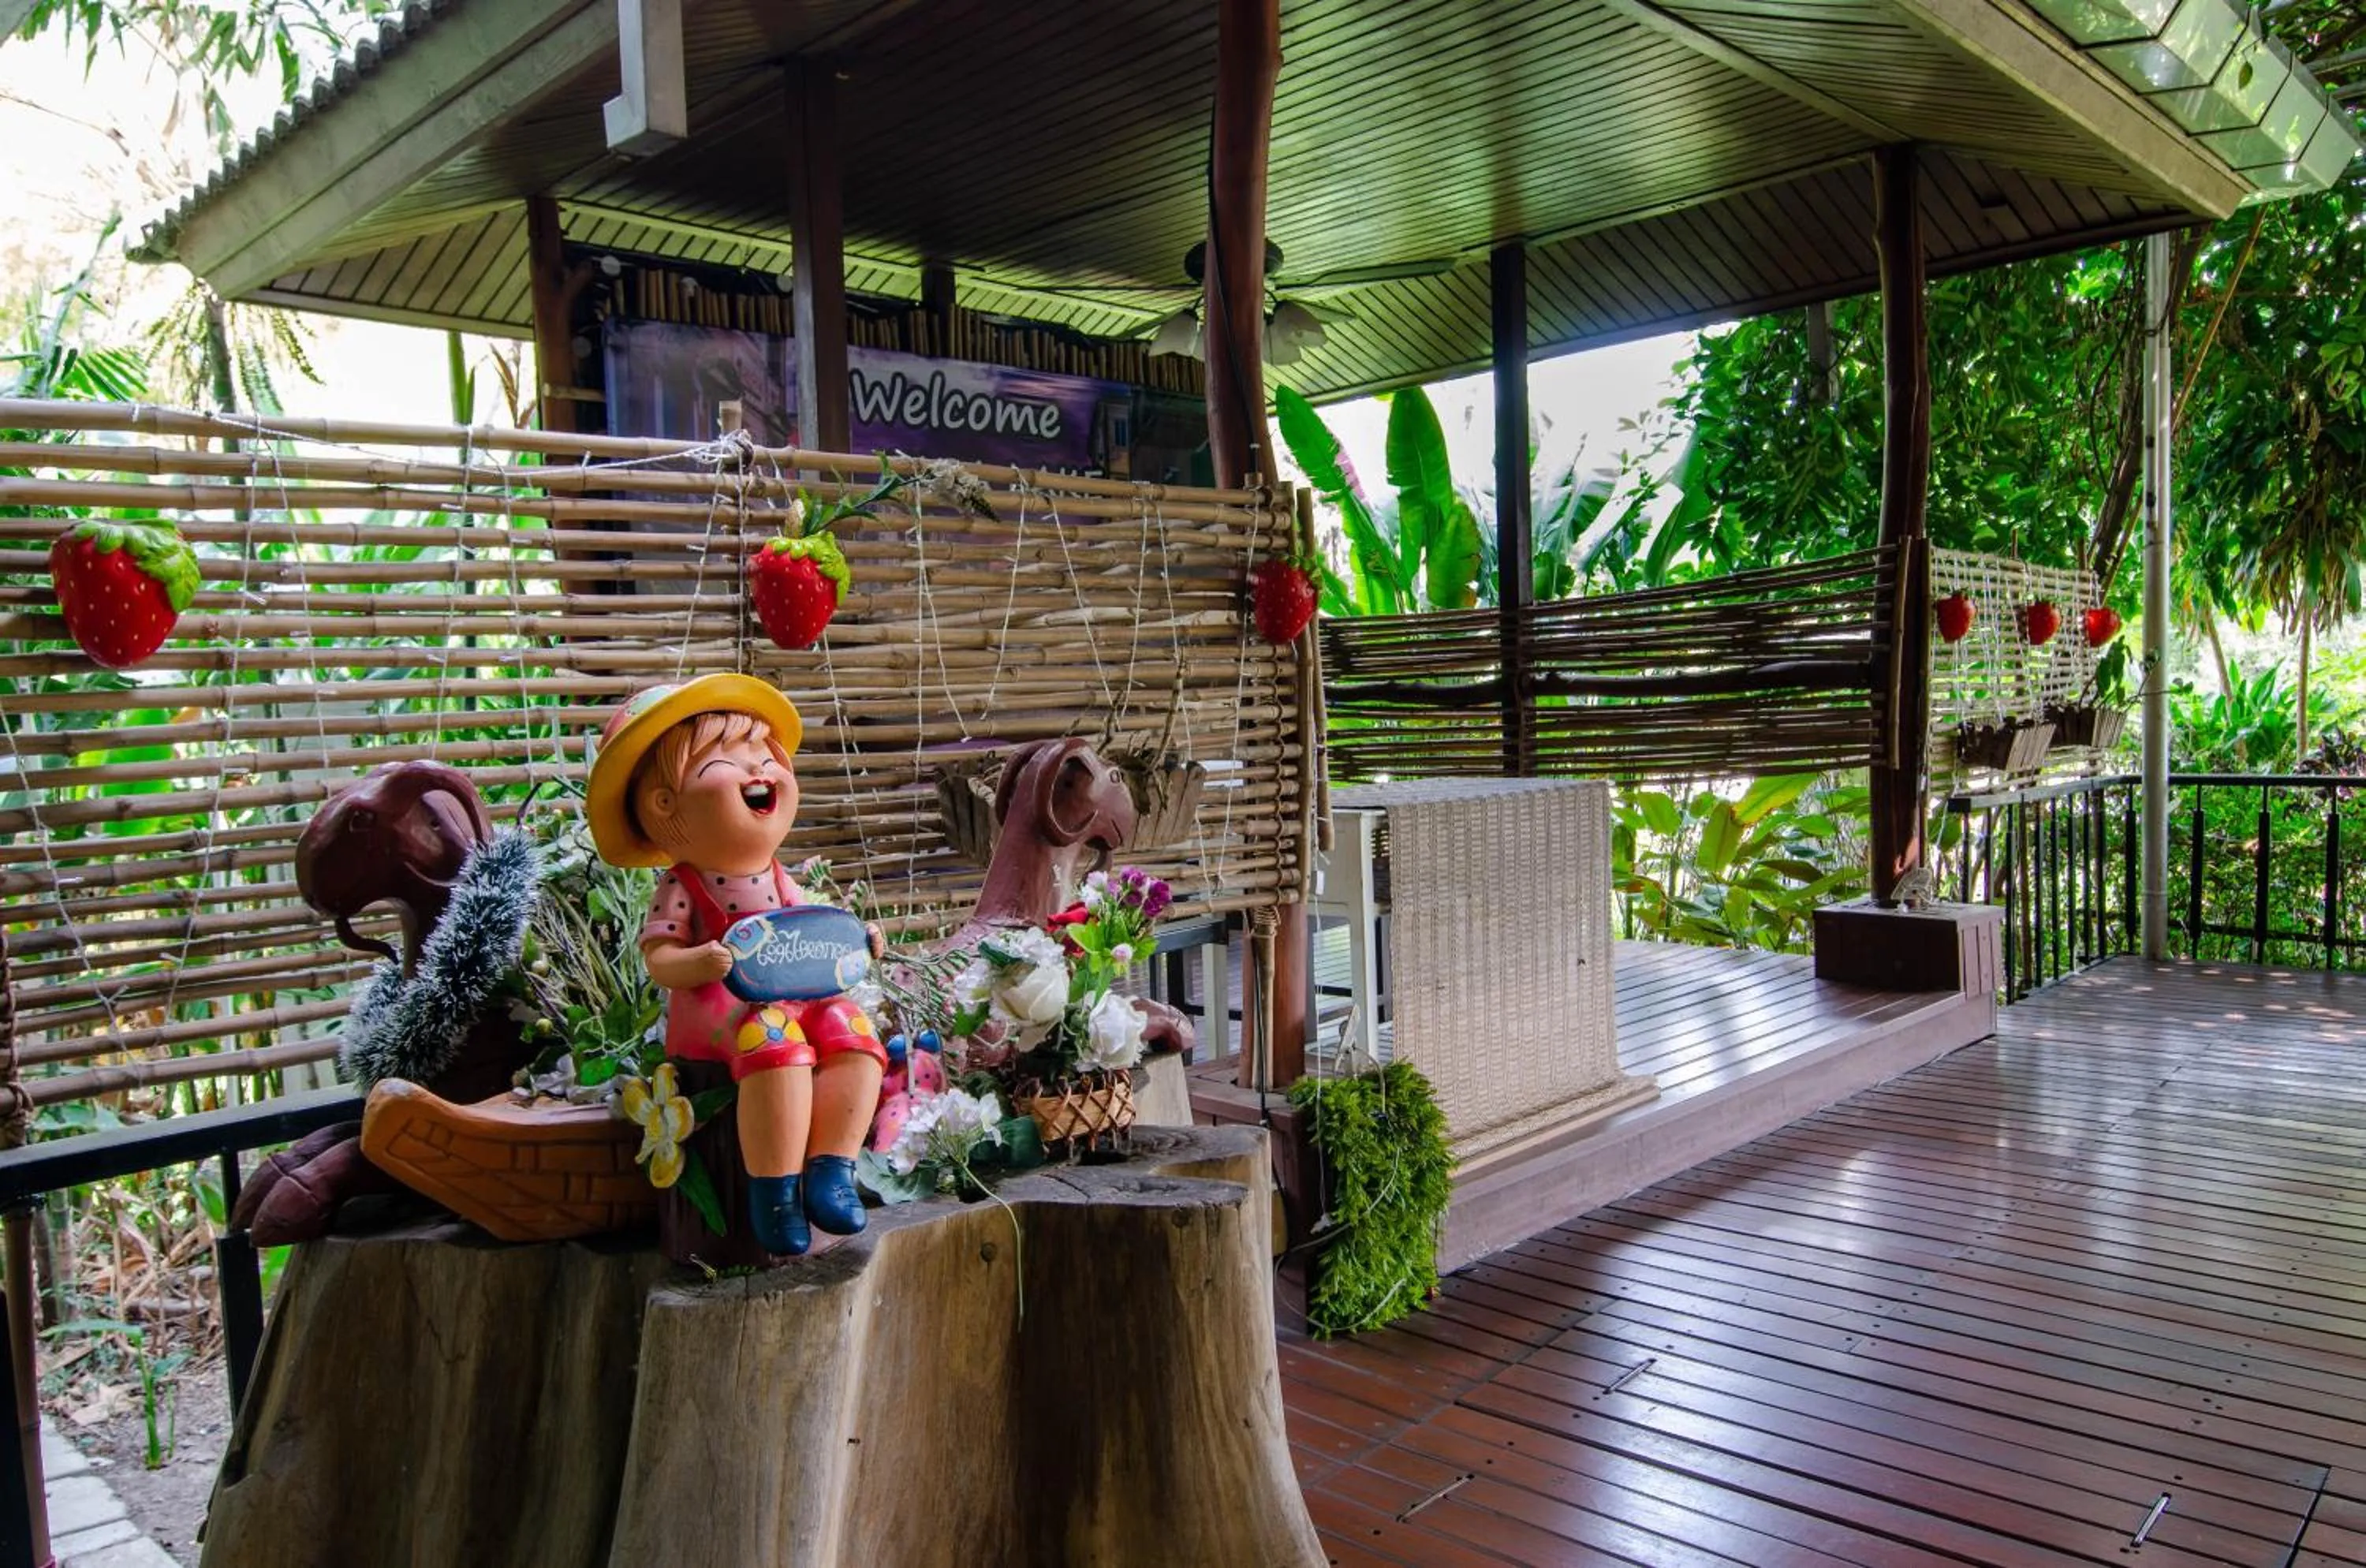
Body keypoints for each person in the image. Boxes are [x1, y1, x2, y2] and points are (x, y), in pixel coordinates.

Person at [587, 674, 884, 1256]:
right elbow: (660, 959)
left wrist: (857, 941)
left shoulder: (778, 877)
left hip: (794, 993)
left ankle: (831, 1169)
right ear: (665, 804)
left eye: (764, 754)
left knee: (853, 1029)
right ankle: (773, 1191)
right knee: (772, 1039)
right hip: (716, 1011)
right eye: (728, 759)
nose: (760, 769)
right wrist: (698, 961)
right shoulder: (684, 886)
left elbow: (812, 928)